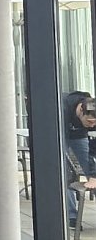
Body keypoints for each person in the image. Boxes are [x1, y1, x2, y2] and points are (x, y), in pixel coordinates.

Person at [64, 91, 96, 227]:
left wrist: (93, 175)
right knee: (65, 171)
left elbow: (90, 150)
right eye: (89, 121)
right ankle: (71, 215)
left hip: (79, 135)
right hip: (60, 131)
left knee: (91, 168)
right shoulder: (63, 108)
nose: (92, 125)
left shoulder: (92, 109)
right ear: (81, 110)